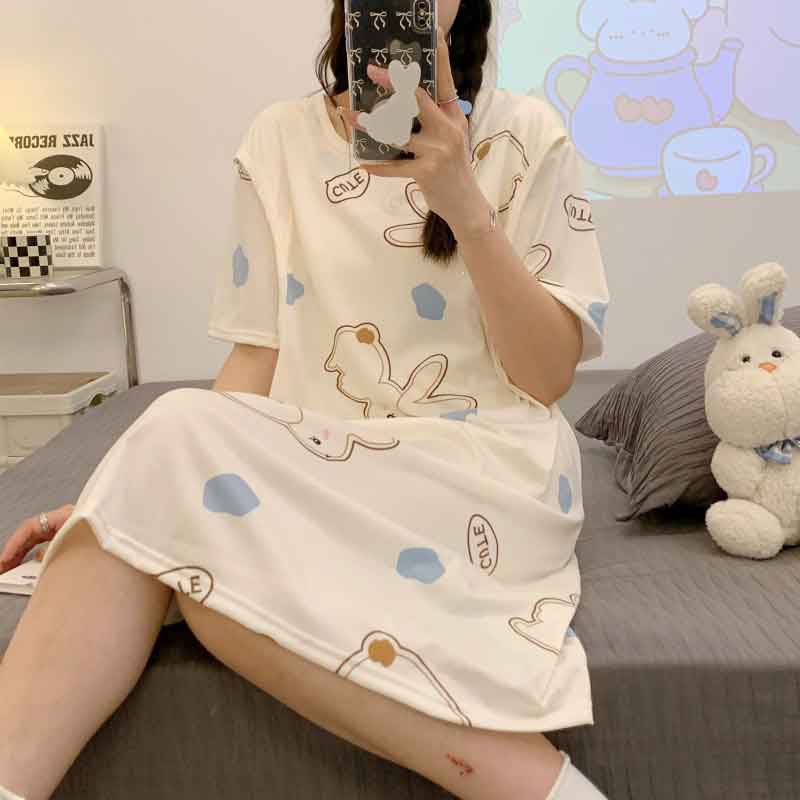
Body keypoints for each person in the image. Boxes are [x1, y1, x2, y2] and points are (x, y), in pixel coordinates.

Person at [0, 2, 611, 798]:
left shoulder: (527, 132)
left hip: (486, 476)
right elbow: (258, 355)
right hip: (321, 469)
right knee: (181, 487)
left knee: (197, 549)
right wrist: (122, 490)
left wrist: (464, 201)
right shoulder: (277, 140)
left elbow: (548, 377)